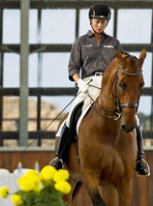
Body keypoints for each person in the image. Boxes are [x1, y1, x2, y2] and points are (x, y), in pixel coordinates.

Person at [51, 4, 150, 176]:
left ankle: (140, 160)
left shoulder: (114, 43)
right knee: (73, 113)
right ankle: (59, 158)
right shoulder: (81, 42)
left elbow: (124, 64)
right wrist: (79, 82)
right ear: (91, 21)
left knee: (134, 118)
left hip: (110, 85)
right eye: (97, 21)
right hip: (88, 83)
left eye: (103, 22)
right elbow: (73, 68)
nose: (100, 25)